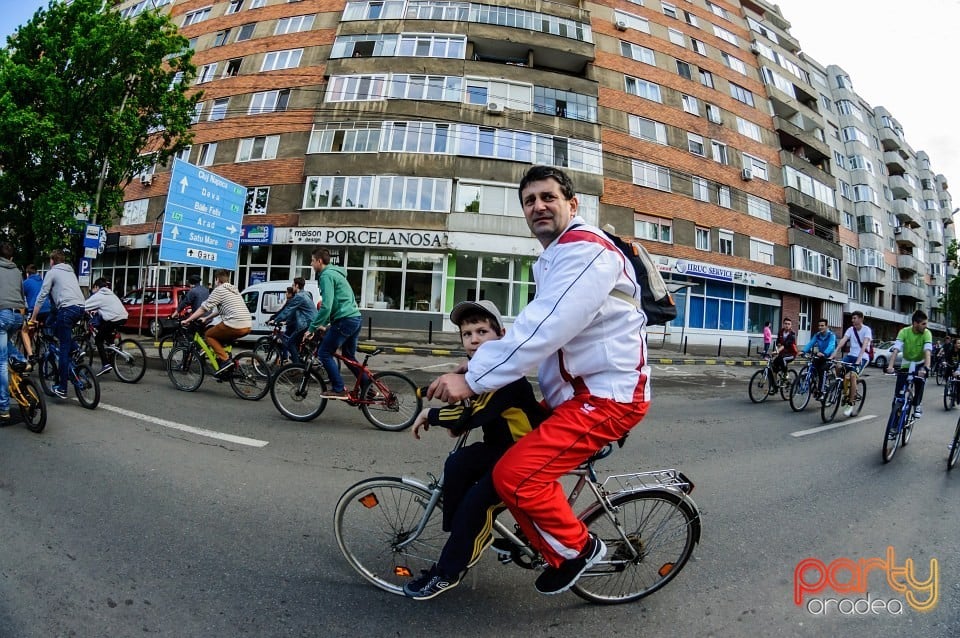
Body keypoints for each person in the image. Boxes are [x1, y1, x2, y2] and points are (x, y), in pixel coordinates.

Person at [427, 165, 649, 595]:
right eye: (529, 201)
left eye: (548, 197)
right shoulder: (554, 259)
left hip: (608, 398)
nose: (538, 206)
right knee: (494, 465)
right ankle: (535, 538)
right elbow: (541, 332)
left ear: (572, 204)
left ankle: (580, 549)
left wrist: (474, 379)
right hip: (575, 397)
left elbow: (544, 327)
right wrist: (470, 366)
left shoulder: (585, 250)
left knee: (514, 475)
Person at [403, 300, 547, 600]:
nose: (474, 339)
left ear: (501, 335)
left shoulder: (506, 376)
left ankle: (450, 569)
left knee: (476, 504)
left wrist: (429, 415)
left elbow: (475, 413)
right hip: (502, 448)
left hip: (524, 456)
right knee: (457, 463)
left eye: (482, 331)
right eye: (467, 334)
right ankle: (462, 535)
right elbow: (470, 405)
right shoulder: (483, 372)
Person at [303, 248, 362, 399]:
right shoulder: (336, 273)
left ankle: (338, 388)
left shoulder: (326, 275)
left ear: (319, 261)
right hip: (354, 318)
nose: (311, 264)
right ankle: (367, 386)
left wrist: (312, 328)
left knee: (324, 352)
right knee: (349, 356)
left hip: (345, 320)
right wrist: (326, 324)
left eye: (312, 261)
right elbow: (336, 303)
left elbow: (327, 305)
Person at [30, 249, 85, 400]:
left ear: (52, 261)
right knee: (58, 330)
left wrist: (33, 317)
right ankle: (77, 349)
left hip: (67, 310)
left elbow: (42, 295)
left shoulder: (52, 272)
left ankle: (62, 388)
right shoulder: (70, 271)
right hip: (80, 308)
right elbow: (56, 303)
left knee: (63, 350)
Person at [182, 269, 252, 377]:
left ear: (217, 279)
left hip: (234, 324)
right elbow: (219, 310)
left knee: (209, 335)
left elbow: (203, 308)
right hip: (247, 325)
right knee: (220, 337)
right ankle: (227, 361)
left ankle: (225, 361)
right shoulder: (233, 290)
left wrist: (187, 320)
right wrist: (206, 318)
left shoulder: (219, 290)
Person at [885, 310, 933, 418]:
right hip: (907, 362)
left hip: (920, 362)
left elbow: (927, 352)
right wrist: (890, 366)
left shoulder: (927, 333)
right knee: (898, 395)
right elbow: (896, 350)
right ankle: (894, 423)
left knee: (920, 381)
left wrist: (926, 368)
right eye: (923, 324)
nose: (926, 326)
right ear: (915, 323)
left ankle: (917, 404)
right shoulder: (904, 332)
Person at [0, 243, 29, 421]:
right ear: (11, 257)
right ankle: (22, 360)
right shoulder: (18, 271)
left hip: (2, 314)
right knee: (6, 344)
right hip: (18, 315)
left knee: (1, 362)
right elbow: (21, 293)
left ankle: (3, 407)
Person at [83, 278, 130, 376]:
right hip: (123, 317)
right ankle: (111, 345)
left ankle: (105, 364)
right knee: (104, 327)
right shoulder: (110, 293)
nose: (92, 290)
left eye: (93, 288)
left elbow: (84, 306)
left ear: (96, 287)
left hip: (114, 319)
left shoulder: (99, 295)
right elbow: (106, 307)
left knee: (99, 339)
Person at [830, 310, 873, 417]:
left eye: (855, 318)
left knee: (852, 376)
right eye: (852, 318)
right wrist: (835, 352)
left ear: (861, 319)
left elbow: (865, 345)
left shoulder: (866, 330)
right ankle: (842, 386)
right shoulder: (850, 329)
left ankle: (851, 402)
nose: (853, 320)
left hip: (863, 357)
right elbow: (843, 340)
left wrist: (859, 360)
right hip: (850, 356)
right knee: (838, 365)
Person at [269, 278, 315, 364]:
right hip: (312, 322)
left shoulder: (299, 296)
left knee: (290, 343)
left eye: (293, 285)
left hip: (306, 324)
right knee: (295, 344)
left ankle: (297, 367)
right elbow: (294, 311)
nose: (292, 287)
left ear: (297, 285)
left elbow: (288, 310)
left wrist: (275, 320)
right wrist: (286, 321)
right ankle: (297, 359)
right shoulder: (306, 293)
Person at [20, 263, 50, 362]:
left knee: (26, 332)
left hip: (36, 311)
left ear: (27, 274)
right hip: (48, 310)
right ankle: (44, 344)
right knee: (45, 331)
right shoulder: (43, 281)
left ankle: (29, 357)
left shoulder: (26, 282)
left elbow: (20, 298)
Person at [801, 318, 836, 397]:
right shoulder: (817, 335)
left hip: (829, 357)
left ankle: (821, 391)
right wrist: (803, 351)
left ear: (826, 326)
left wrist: (824, 353)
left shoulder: (831, 335)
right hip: (820, 356)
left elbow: (831, 345)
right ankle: (813, 383)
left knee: (822, 370)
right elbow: (811, 343)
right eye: (819, 326)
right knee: (811, 366)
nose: (820, 327)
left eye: (822, 325)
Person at [770, 317, 798, 391]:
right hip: (782, 353)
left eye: (789, 324)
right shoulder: (780, 332)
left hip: (791, 354)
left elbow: (785, 345)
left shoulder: (792, 334)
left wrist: (777, 351)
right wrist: (777, 349)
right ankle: (775, 386)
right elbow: (778, 342)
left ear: (791, 325)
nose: (787, 325)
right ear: (783, 324)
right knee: (773, 366)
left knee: (783, 359)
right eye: (785, 323)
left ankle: (786, 376)